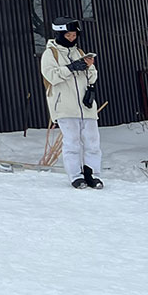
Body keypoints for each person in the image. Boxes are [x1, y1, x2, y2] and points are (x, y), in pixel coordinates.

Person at [42, 17, 103, 189]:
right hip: (65, 107)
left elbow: (93, 77)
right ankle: (75, 176)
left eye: (74, 35)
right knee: (72, 142)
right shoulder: (50, 53)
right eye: (67, 35)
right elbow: (51, 76)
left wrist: (89, 66)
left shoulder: (80, 52)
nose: (71, 38)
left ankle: (93, 174)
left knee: (92, 142)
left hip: (86, 106)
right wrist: (71, 68)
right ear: (60, 34)